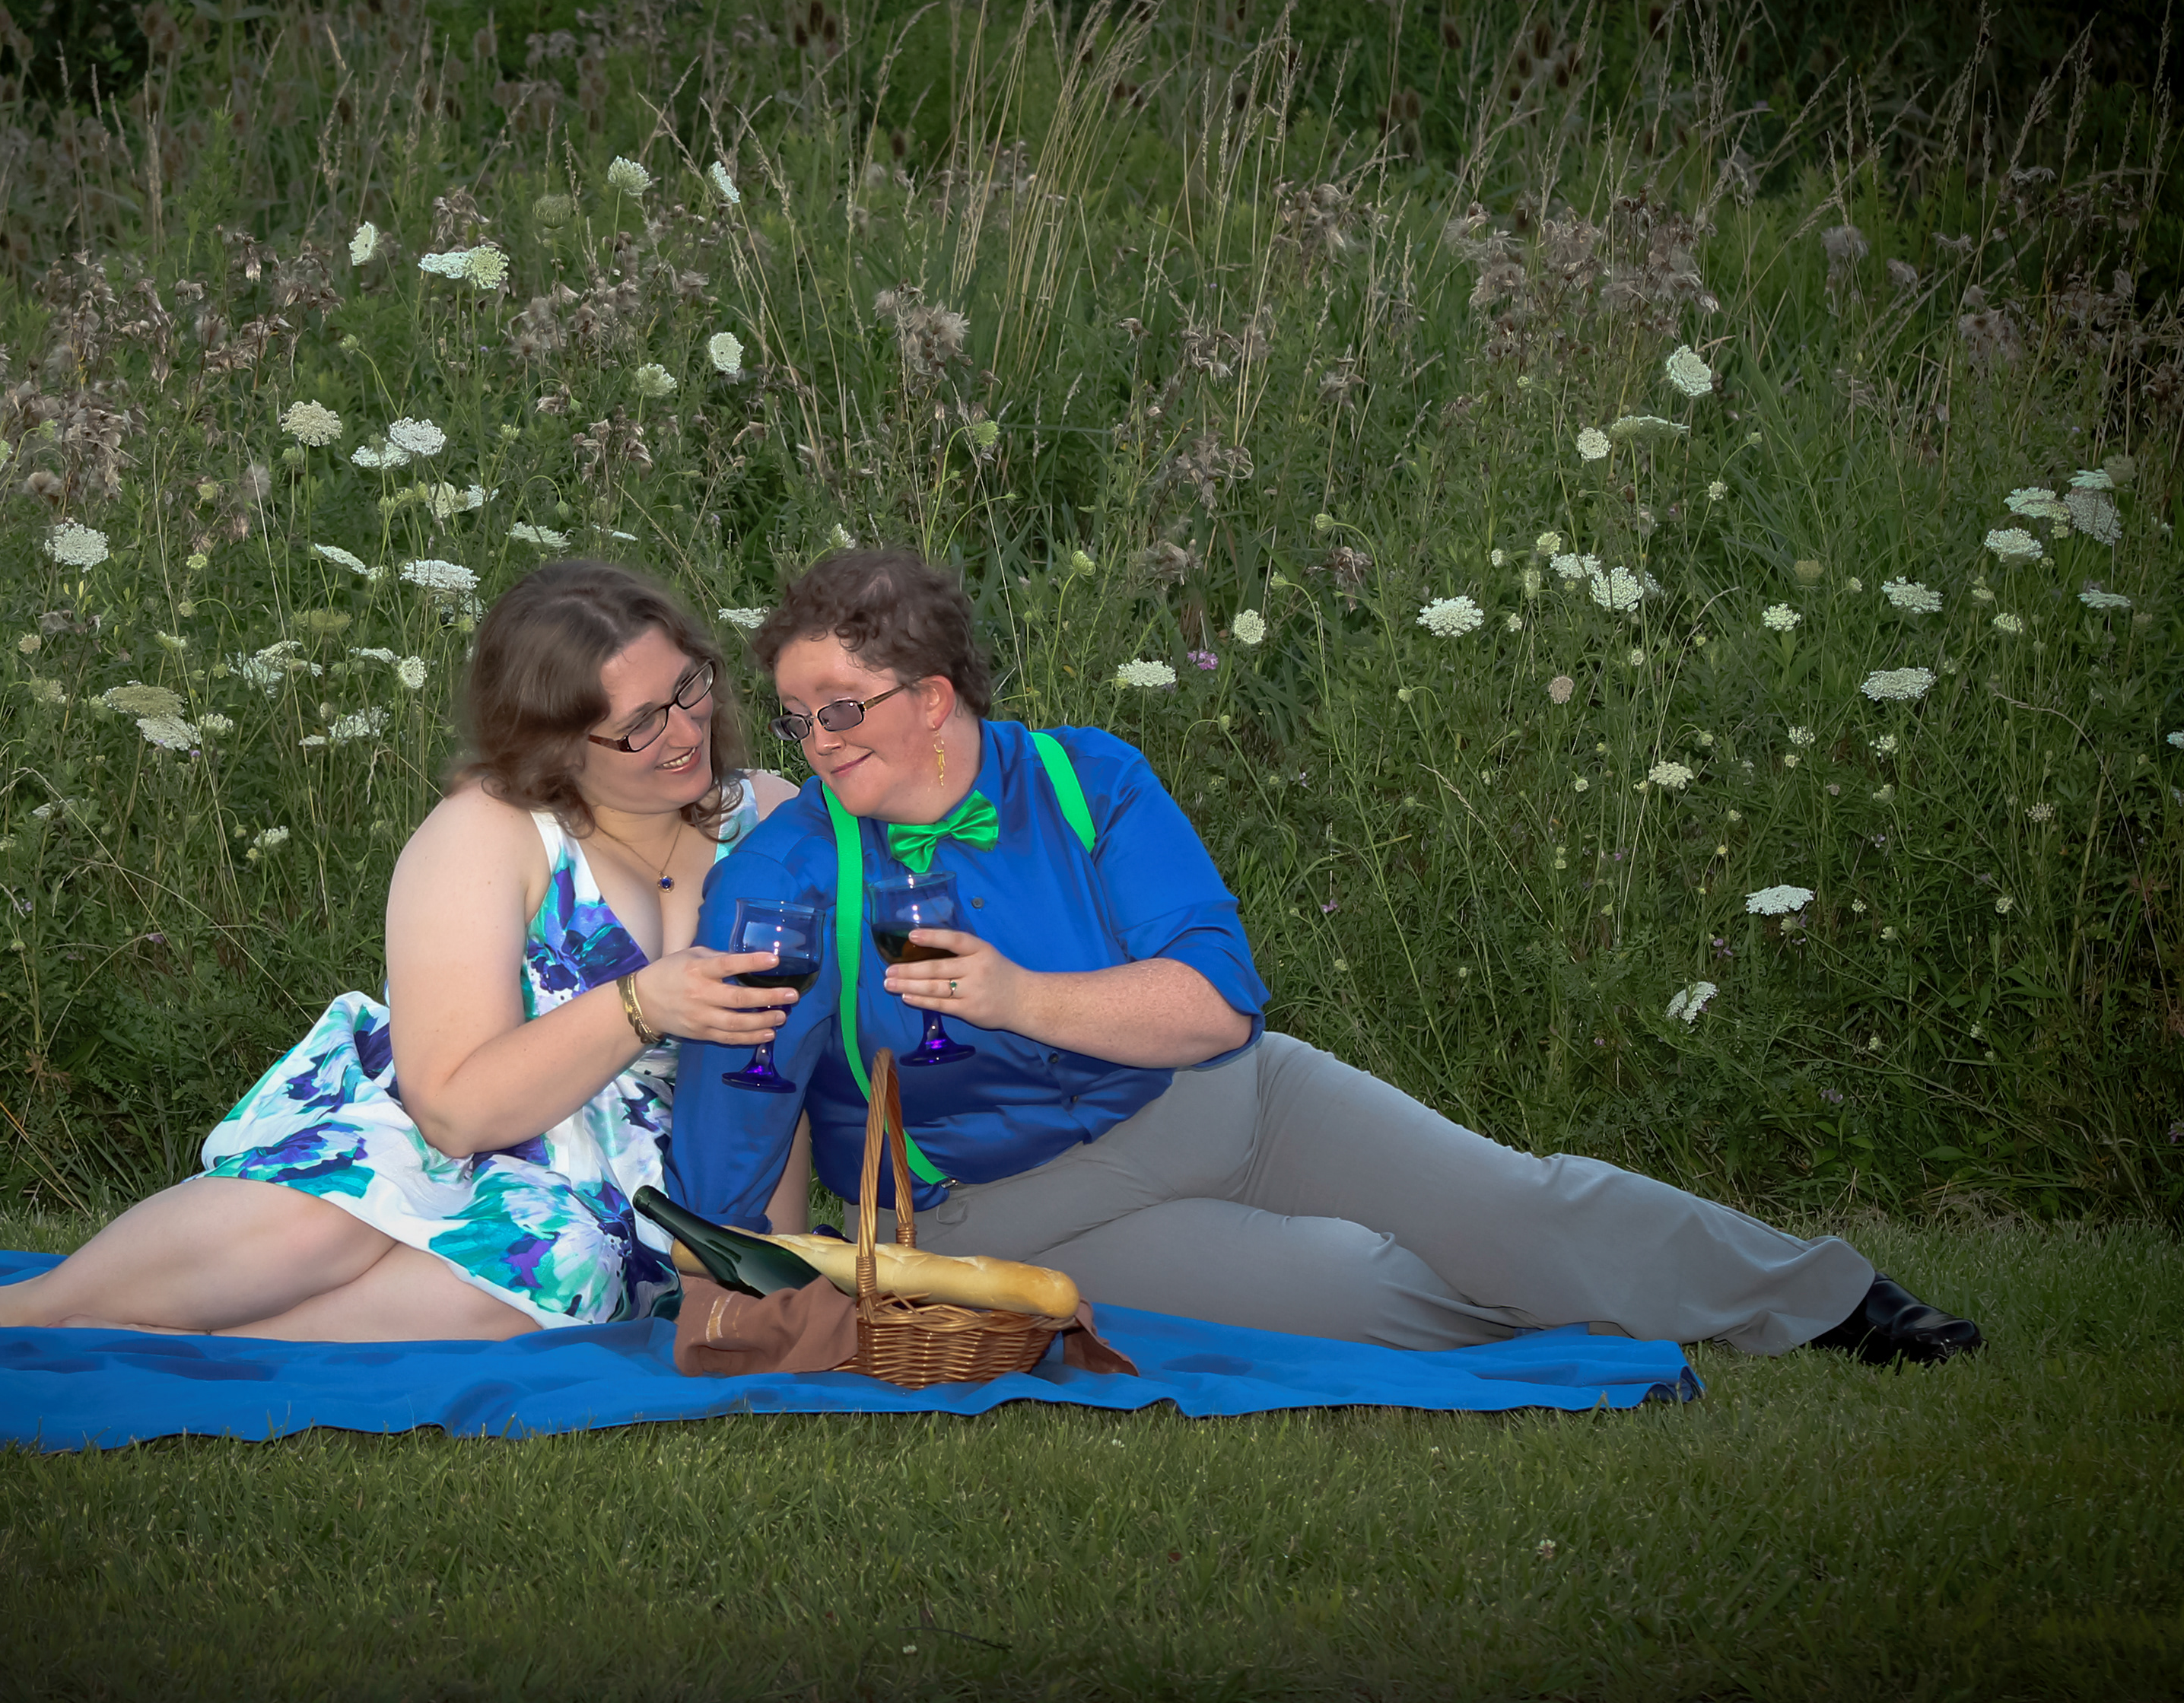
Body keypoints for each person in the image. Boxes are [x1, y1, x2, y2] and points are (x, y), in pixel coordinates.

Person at [669, 549, 1982, 1365]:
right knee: (1364, 1290)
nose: (819, 746)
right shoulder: (780, 886)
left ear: (934, 699)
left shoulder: (1086, 780)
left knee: (1524, 1205)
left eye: (842, 710)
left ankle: (1837, 1301)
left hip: (1230, 1100)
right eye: (796, 721)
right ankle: (1572, 1322)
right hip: (1020, 1208)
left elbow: (1218, 1003)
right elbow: (740, 1097)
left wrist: (1021, 995)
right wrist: (738, 1286)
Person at [0, 561, 803, 1338]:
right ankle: (24, 1313)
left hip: (639, 1187)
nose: (686, 733)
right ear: (554, 744)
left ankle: (219, 1350)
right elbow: (450, 1113)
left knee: (555, 1261)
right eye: (639, 725)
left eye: (690, 688)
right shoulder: (490, 832)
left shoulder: (774, 817)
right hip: (453, 1119)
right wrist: (643, 1006)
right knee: (339, 1210)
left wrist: (780, 1263)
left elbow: (807, 1064)